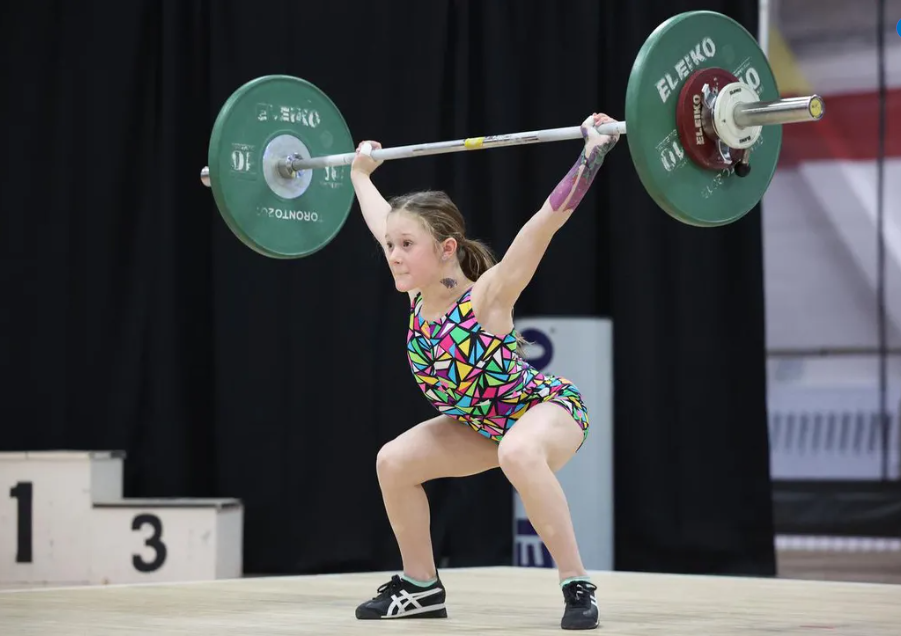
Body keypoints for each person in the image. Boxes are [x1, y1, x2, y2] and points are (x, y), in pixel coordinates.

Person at [349, 113, 620, 630]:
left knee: (518, 451)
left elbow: (545, 222)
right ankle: (421, 586)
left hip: (546, 410)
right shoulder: (419, 297)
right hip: (482, 426)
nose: (394, 256)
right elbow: (380, 219)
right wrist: (360, 175)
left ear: (446, 248)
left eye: (406, 246)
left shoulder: (488, 296)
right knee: (393, 462)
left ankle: (576, 583)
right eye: (390, 246)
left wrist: (592, 154)